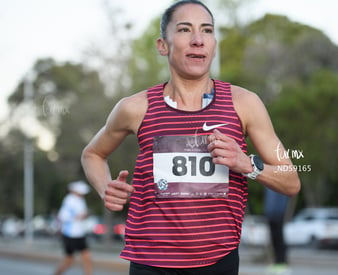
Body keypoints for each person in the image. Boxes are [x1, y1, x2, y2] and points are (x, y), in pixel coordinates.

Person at [81, 1, 301, 274]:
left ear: (214, 44)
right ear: (163, 45)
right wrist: (105, 188)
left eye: (206, 31)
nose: (198, 40)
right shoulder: (135, 108)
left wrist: (247, 164)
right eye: (185, 30)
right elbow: (92, 154)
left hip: (218, 261)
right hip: (151, 262)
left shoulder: (244, 103)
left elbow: (291, 181)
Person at [54, 180, 93, 275]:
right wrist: (78, 216)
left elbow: (83, 215)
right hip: (70, 234)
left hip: (79, 233)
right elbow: (62, 217)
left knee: (87, 258)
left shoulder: (81, 200)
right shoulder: (69, 200)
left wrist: (84, 215)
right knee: (69, 261)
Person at [264, 188, 290, 275]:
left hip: (277, 213)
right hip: (271, 213)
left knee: (278, 237)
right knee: (274, 237)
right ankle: (277, 262)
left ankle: (281, 262)